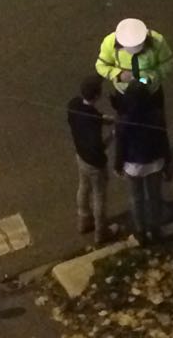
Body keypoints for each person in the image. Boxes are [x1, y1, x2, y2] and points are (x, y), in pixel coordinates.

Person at [114, 78, 170, 245]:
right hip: (154, 163)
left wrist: (117, 165)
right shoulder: (156, 116)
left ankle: (141, 231)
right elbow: (163, 141)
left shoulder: (124, 120)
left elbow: (120, 145)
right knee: (154, 197)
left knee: (136, 199)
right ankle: (155, 229)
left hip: (133, 165)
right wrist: (168, 161)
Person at [66, 75, 111, 247]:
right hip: (95, 164)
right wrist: (113, 135)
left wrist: (102, 119)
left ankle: (83, 219)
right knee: (99, 196)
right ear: (97, 95)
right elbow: (99, 147)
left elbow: (91, 115)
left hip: (81, 156)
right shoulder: (92, 120)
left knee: (83, 187)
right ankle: (101, 231)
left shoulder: (74, 105)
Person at [96, 18, 173, 111]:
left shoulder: (158, 41)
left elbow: (169, 63)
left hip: (151, 91)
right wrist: (118, 75)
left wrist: (151, 77)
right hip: (124, 93)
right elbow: (101, 66)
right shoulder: (109, 42)